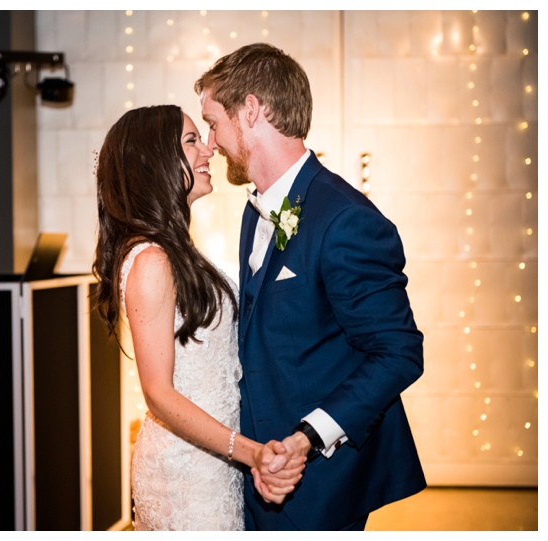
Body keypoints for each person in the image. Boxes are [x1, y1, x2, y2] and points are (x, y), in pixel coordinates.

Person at [194, 43, 427, 531]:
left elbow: (398, 352)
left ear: (251, 110)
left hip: (320, 481)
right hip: (257, 470)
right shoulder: (251, 210)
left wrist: (305, 437)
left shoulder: (346, 219)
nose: (211, 144)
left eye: (213, 123)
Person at [92, 105, 305, 531]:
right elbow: (158, 393)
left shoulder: (176, 250)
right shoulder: (151, 260)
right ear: (156, 162)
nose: (208, 148)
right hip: (185, 474)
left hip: (214, 461)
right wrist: (250, 453)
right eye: (191, 140)